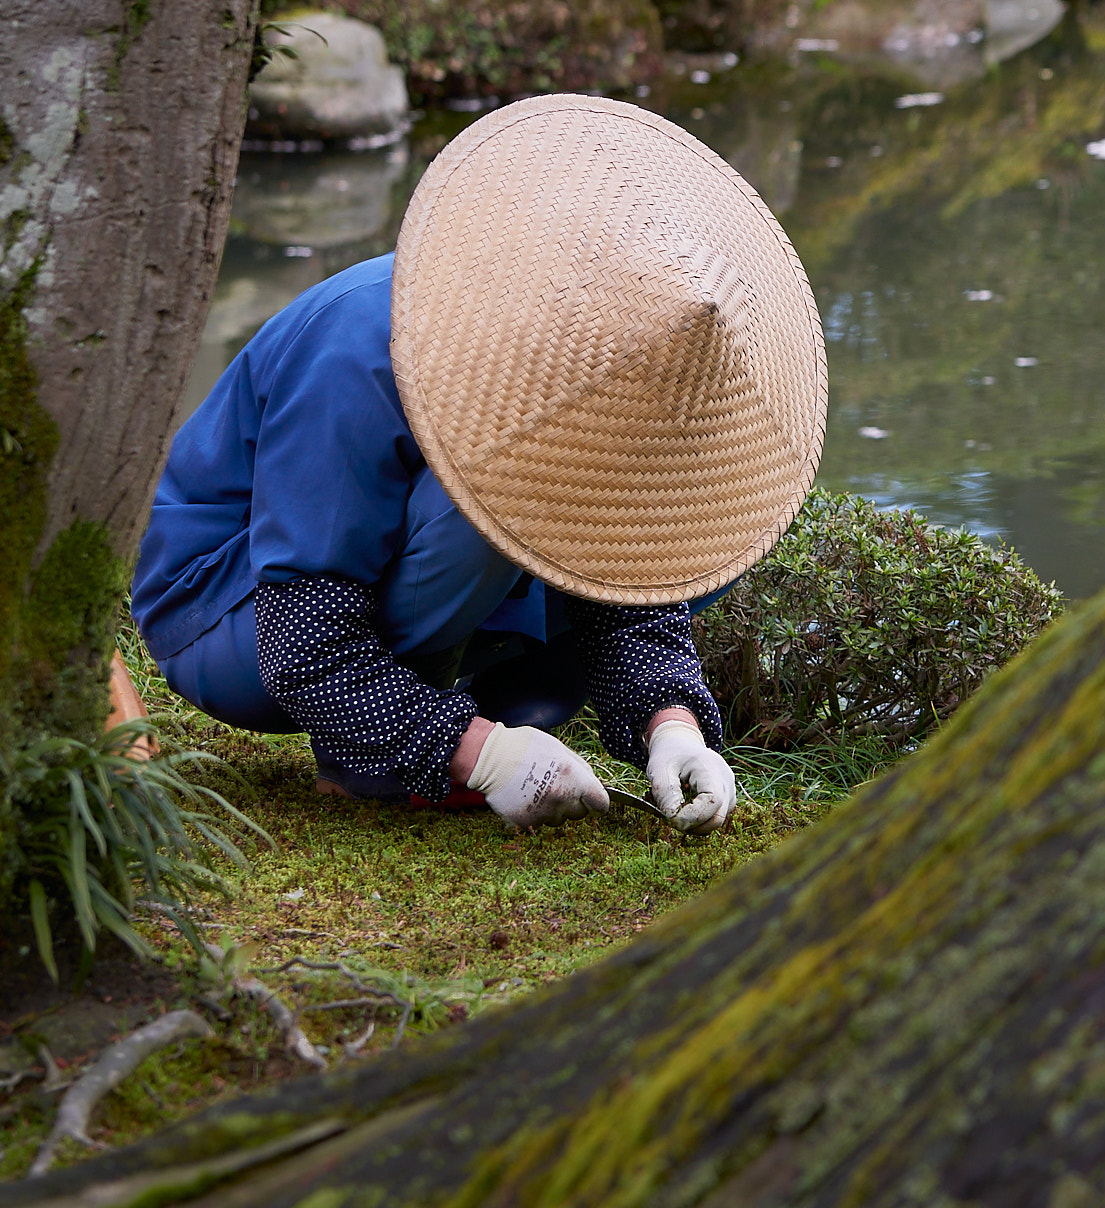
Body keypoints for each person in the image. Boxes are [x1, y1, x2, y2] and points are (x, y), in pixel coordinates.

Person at [132, 97, 827, 831]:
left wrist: (673, 725)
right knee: (475, 510)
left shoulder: (599, 370)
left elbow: (623, 549)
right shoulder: (360, 350)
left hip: (365, 603)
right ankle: (382, 753)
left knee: (675, 544)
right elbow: (304, 641)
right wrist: (473, 752)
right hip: (230, 614)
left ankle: (486, 707)